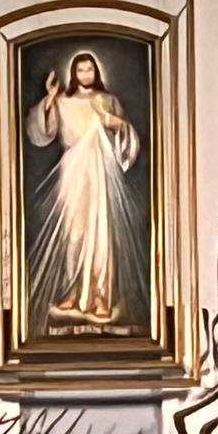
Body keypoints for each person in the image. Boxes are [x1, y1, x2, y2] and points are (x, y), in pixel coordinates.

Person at [24, 51, 143, 333]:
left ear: (96, 72)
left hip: (100, 172)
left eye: (90, 69)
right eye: (81, 70)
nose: (86, 75)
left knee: (100, 233)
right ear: (74, 73)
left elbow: (124, 137)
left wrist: (116, 124)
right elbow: (42, 132)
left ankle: (101, 296)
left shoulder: (107, 101)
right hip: (73, 172)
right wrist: (50, 98)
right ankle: (73, 291)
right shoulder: (63, 102)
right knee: (74, 234)